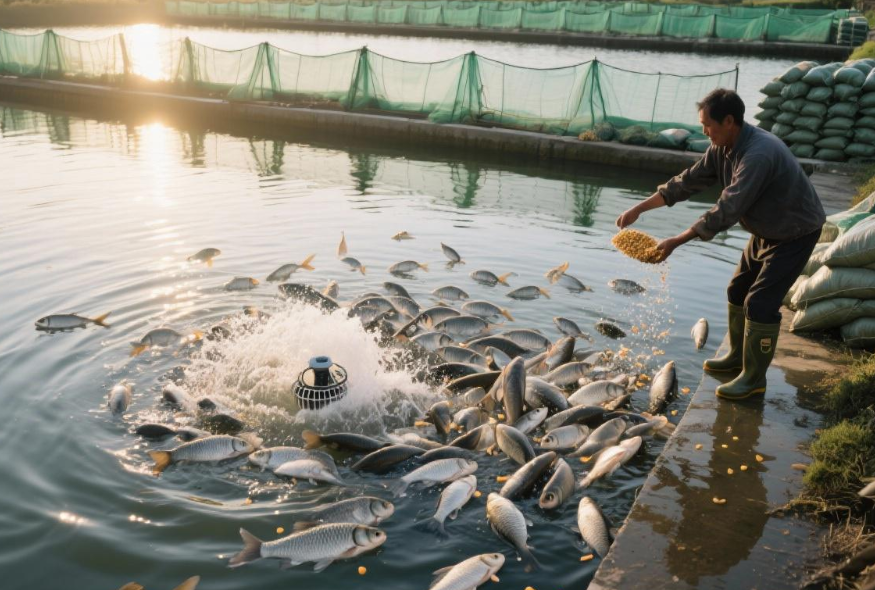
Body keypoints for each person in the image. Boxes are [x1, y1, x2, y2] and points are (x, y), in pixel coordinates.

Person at [616, 88, 825, 401]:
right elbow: (686, 182)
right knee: (737, 291)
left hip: (795, 231)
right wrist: (639, 208)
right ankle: (737, 358)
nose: (704, 132)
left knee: (760, 304)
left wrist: (676, 241)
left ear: (729, 121)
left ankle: (753, 379)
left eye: (707, 125)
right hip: (766, 230)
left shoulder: (758, 154)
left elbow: (727, 209)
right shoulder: (722, 146)